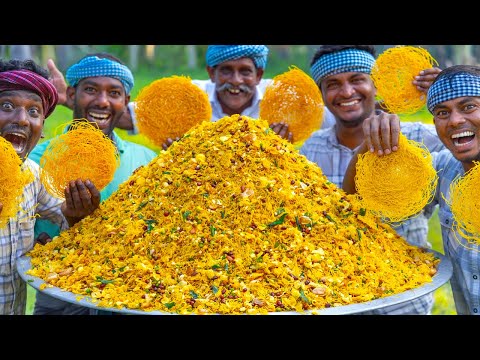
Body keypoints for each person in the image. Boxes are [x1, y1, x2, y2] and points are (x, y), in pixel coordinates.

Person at [299, 45, 445, 315]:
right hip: (335, 301)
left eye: (357, 79)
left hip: (405, 299)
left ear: (376, 86)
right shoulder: (309, 150)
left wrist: (450, 96)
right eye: (332, 84)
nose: (346, 92)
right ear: (321, 95)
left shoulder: (419, 139)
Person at [343, 64, 480, 315]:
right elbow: (355, 203)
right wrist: (368, 145)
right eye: (442, 112)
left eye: (468, 106)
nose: (455, 120)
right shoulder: (442, 171)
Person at [30, 53, 158, 315]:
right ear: (71, 94)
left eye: (114, 93)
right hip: (59, 293)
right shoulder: (37, 159)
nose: (102, 101)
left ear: (126, 102)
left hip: (131, 296)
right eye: (91, 90)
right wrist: (67, 224)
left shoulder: (148, 161)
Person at [0, 58, 101, 315]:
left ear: (42, 129)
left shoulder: (33, 175)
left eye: (34, 112)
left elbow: (66, 216)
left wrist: (76, 215)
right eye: (7, 106)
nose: (22, 119)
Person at [88, 45, 337, 143]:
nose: (236, 81)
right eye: (226, 71)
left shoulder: (283, 100)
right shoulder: (190, 97)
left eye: (245, 72)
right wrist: (76, 103)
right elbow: (128, 116)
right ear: (211, 72)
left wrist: (373, 114)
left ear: (259, 75)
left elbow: (337, 118)